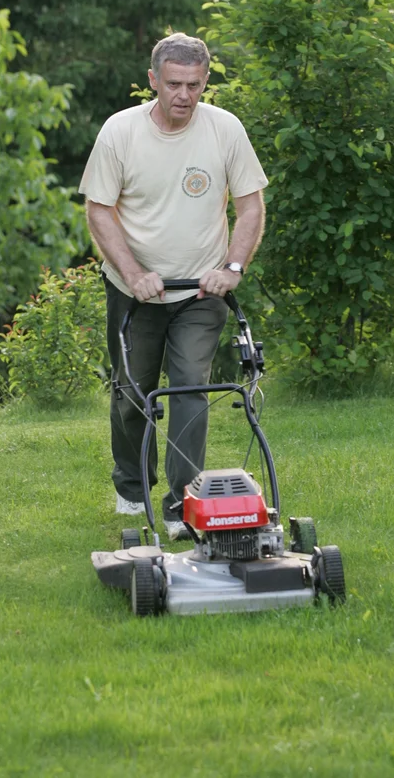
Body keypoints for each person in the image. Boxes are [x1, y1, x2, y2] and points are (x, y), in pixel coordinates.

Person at [79, 32, 267, 540]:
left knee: (189, 387)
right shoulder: (120, 132)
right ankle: (132, 484)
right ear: (153, 81)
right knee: (131, 393)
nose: (184, 96)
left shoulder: (225, 129)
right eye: (174, 84)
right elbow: (98, 209)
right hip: (133, 292)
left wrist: (232, 268)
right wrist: (134, 273)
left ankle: (183, 503)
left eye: (195, 85)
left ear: (206, 81)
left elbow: (250, 206)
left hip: (202, 293)